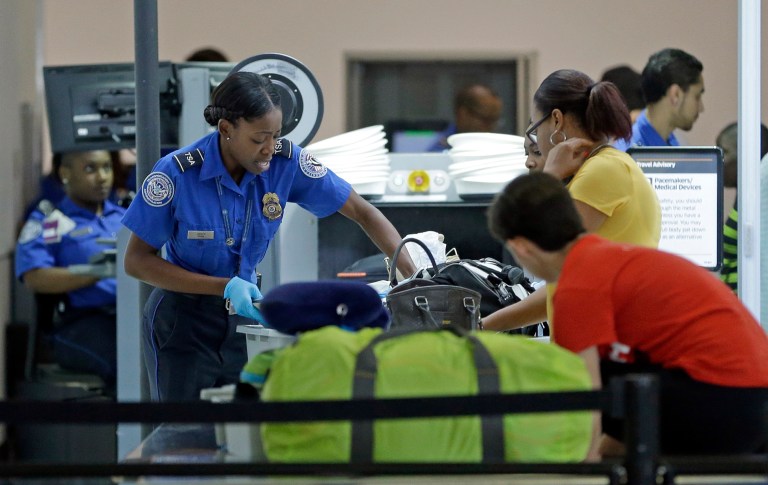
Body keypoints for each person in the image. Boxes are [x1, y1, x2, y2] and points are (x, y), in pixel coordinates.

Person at [122, 71, 416, 402]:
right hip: (182, 321)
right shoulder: (177, 173)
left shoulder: (285, 163)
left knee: (242, 433)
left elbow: (363, 212)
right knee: (183, 437)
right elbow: (136, 261)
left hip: (246, 320)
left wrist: (414, 275)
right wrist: (223, 286)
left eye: (276, 136)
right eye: (259, 138)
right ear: (226, 129)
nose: (269, 149)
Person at [487, 171, 768, 457]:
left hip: (723, 403)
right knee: (615, 370)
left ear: (519, 247)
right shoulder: (608, 257)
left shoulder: (578, 285)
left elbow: (585, 402)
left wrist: (582, 470)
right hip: (753, 400)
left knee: (581, 378)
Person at [481, 69, 660, 332]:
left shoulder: (602, 171)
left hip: (610, 346)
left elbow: (538, 254)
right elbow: (558, 290)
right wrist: (481, 326)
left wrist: (550, 175)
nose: (536, 141)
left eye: (535, 126)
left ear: (556, 120)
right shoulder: (601, 168)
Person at [15, 150, 124, 392]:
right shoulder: (52, 222)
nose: (102, 177)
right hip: (81, 322)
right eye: (90, 169)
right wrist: (100, 271)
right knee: (126, 361)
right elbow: (34, 277)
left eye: (107, 167)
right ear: (65, 173)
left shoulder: (125, 216)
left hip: (133, 313)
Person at [614, 48, 704, 151]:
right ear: (676, 95)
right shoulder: (628, 155)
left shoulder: (673, 141)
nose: (701, 108)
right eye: (697, 96)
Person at [717, 122, 768, 293]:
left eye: (724, 151)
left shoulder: (757, 205)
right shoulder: (744, 198)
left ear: (746, 156)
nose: (719, 159)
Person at [427, 83, 503, 152]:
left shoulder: (502, 149)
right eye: (485, 119)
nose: (491, 127)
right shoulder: (440, 152)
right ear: (463, 114)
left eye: (495, 119)